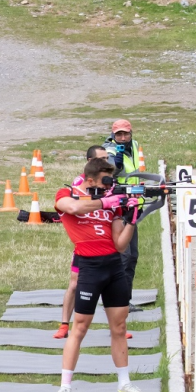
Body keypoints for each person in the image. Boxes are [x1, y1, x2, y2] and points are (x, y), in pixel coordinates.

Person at [53, 157, 149, 392]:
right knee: (80, 327)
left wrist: (132, 216)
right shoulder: (67, 194)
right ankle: (64, 388)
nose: (109, 187)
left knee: (118, 327)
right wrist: (105, 201)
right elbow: (73, 209)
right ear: (90, 179)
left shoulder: (112, 203)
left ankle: (124, 384)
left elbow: (120, 243)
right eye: (105, 182)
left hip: (114, 267)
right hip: (90, 267)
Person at [54, 145, 131, 341]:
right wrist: (106, 203)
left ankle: (117, 324)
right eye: (102, 158)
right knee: (74, 284)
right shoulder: (81, 182)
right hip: (85, 248)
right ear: (90, 162)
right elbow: (75, 206)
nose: (107, 161)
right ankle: (64, 324)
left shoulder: (107, 182)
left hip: (105, 249)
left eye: (108, 158)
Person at [103, 119, 144, 312]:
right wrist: (116, 166)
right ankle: (117, 301)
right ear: (112, 135)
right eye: (118, 134)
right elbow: (108, 174)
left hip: (132, 207)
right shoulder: (109, 151)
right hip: (117, 209)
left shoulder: (133, 146)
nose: (122, 137)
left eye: (125, 134)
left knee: (132, 255)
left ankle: (125, 300)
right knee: (123, 256)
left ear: (131, 134)